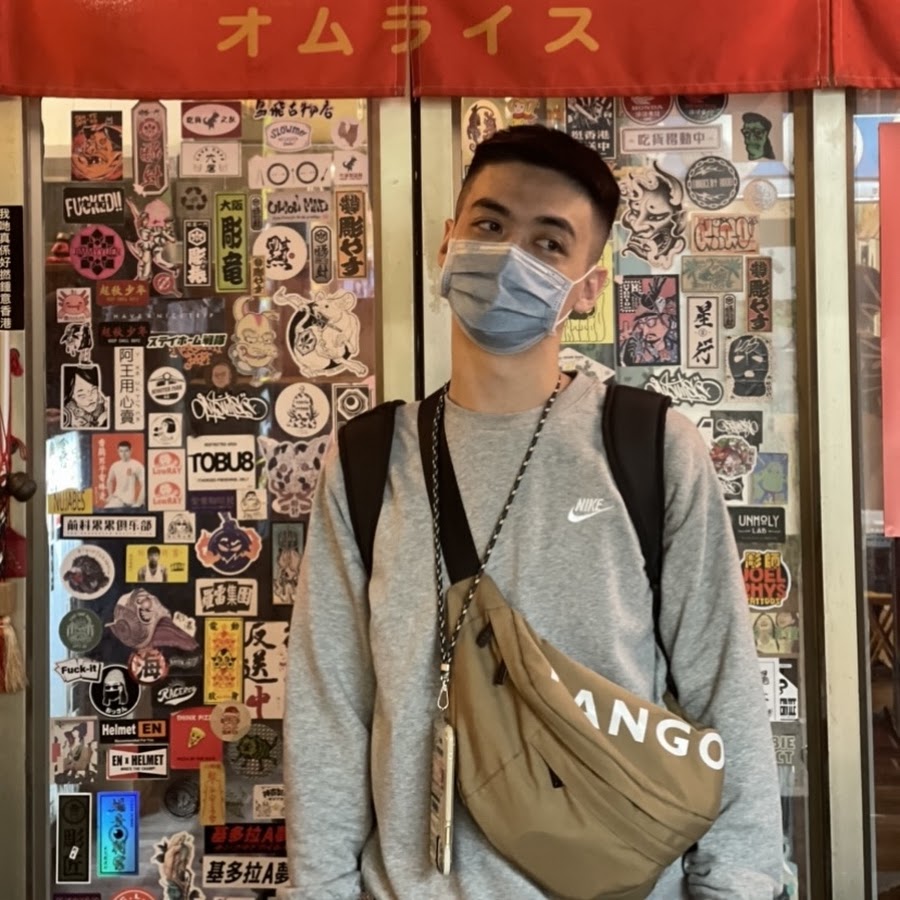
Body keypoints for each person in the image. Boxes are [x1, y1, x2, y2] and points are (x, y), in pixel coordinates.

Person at [283, 125, 782, 899]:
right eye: (489, 225)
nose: (509, 256)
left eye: (550, 243)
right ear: (447, 241)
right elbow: (329, 709)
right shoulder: (368, 462)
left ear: (587, 287)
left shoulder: (649, 448)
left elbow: (725, 688)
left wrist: (738, 887)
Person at [104, 440, 145, 509]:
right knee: (107, 509)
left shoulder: (137, 465)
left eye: (126, 451)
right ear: (118, 451)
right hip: (118, 499)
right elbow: (109, 481)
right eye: (121, 451)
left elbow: (145, 484)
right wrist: (110, 495)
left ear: (131, 451)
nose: (123, 454)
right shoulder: (115, 465)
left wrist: (139, 502)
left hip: (132, 501)